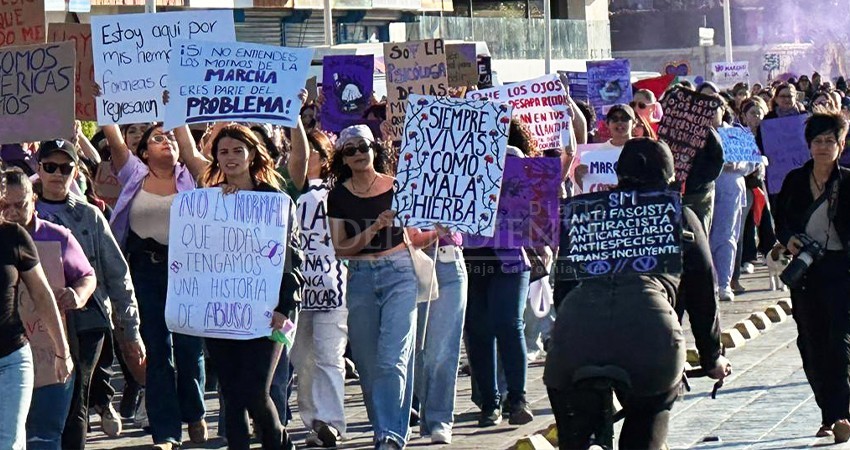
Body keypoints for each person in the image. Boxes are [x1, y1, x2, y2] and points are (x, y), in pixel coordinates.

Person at [544, 138, 731, 449]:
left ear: (617, 174)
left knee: (576, 434)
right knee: (645, 426)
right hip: (651, 333)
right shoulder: (680, 216)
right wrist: (712, 357)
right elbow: (702, 294)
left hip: (577, 330)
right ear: (671, 178)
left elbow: (563, 289)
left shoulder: (587, 213)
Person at [179, 123, 303, 450]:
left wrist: (284, 308)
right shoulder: (209, 202)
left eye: (238, 150)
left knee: (255, 390)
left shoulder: (275, 201)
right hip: (221, 313)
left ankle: (278, 442)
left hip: (271, 314)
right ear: (215, 158)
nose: (230, 157)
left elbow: (292, 260)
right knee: (232, 394)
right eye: (223, 152)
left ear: (251, 155)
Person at [33, 140, 145, 449]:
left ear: (76, 171)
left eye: (66, 167)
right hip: (33, 320)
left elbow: (117, 273)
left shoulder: (91, 216)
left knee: (74, 397)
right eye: (50, 167)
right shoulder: (20, 215)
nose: (58, 174)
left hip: (86, 317)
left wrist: (130, 330)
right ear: (38, 169)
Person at [102, 123, 205, 450]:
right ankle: (166, 432)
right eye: (157, 138)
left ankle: (195, 412)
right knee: (158, 351)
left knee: (189, 348)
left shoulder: (189, 177)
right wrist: (107, 110)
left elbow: (188, 146)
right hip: (146, 271)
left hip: (187, 271)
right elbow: (116, 141)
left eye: (170, 137)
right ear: (144, 152)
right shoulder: (134, 174)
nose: (166, 141)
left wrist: (176, 116)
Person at [327, 125, 418, 450]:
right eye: (349, 149)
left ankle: (389, 436)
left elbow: (416, 232)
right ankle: (384, 427)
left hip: (399, 273)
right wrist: (375, 228)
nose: (357, 154)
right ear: (343, 158)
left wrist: (440, 227)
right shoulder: (338, 195)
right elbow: (341, 247)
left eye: (362, 146)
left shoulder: (398, 185)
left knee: (392, 358)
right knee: (366, 363)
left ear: (374, 149)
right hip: (361, 276)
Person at [0, 169, 96, 450]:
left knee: (9, 442)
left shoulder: (14, 237)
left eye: (20, 204)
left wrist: (61, 351)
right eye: (8, 206)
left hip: (10, 359)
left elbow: (42, 296)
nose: (14, 212)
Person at [774, 113, 850, 443]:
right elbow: (781, 221)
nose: (822, 147)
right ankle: (828, 414)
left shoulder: (847, 182)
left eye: (829, 141)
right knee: (811, 343)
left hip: (842, 270)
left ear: (841, 144)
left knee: (840, 342)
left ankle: (842, 413)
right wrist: (789, 237)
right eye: (817, 141)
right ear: (808, 145)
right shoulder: (794, 180)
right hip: (806, 272)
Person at [462, 120, 538, 429]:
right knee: (478, 331)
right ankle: (490, 402)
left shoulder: (512, 157)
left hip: (508, 257)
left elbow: (528, 197)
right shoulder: (457, 157)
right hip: (471, 255)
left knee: (508, 323)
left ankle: (517, 398)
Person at [286, 128, 349, 448]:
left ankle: (332, 422)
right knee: (302, 358)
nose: (305, 157)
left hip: (332, 286)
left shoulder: (338, 193)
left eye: (314, 152)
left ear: (326, 159)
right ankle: (313, 420)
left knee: (330, 356)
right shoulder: (288, 192)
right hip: (297, 291)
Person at [710, 99, 760, 302]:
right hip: (701, 190)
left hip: (730, 188)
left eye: (715, 107)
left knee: (726, 236)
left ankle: (723, 283)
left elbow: (753, 162)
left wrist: (737, 165)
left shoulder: (736, 133)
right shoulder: (694, 134)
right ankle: (708, 283)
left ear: (723, 109)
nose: (711, 112)